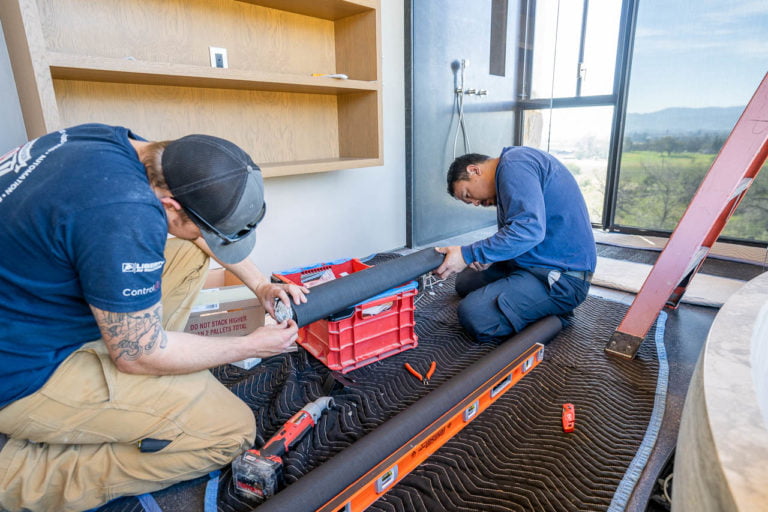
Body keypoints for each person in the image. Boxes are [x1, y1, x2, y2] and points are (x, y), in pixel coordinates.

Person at [0, 123, 309, 511]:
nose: (215, 241)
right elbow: (137, 355)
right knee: (230, 433)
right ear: (170, 206)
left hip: (28, 306)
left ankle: (151, 370)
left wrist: (262, 286)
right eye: (214, 232)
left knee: (188, 251)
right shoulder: (125, 214)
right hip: (22, 370)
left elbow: (192, 233)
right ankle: (17, 476)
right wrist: (249, 346)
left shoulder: (120, 146)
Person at [435, 146, 596, 342]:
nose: (475, 203)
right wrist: (492, 256)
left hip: (562, 277)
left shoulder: (514, 164)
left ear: (474, 170)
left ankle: (556, 314)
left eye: (468, 195)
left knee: (475, 315)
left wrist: (468, 253)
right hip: (531, 260)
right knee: (465, 282)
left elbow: (529, 231)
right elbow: (516, 233)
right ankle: (531, 302)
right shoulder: (511, 170)